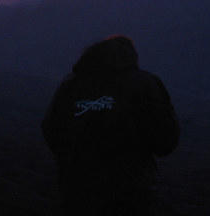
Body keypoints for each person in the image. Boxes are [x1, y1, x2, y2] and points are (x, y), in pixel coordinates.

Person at [42, 36, 179, 215]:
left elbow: (51, 129)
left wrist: (73, 158)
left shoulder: (71, 85)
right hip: (131, 194)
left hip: (76, 191)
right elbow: (166, 141)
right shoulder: (146, 85)